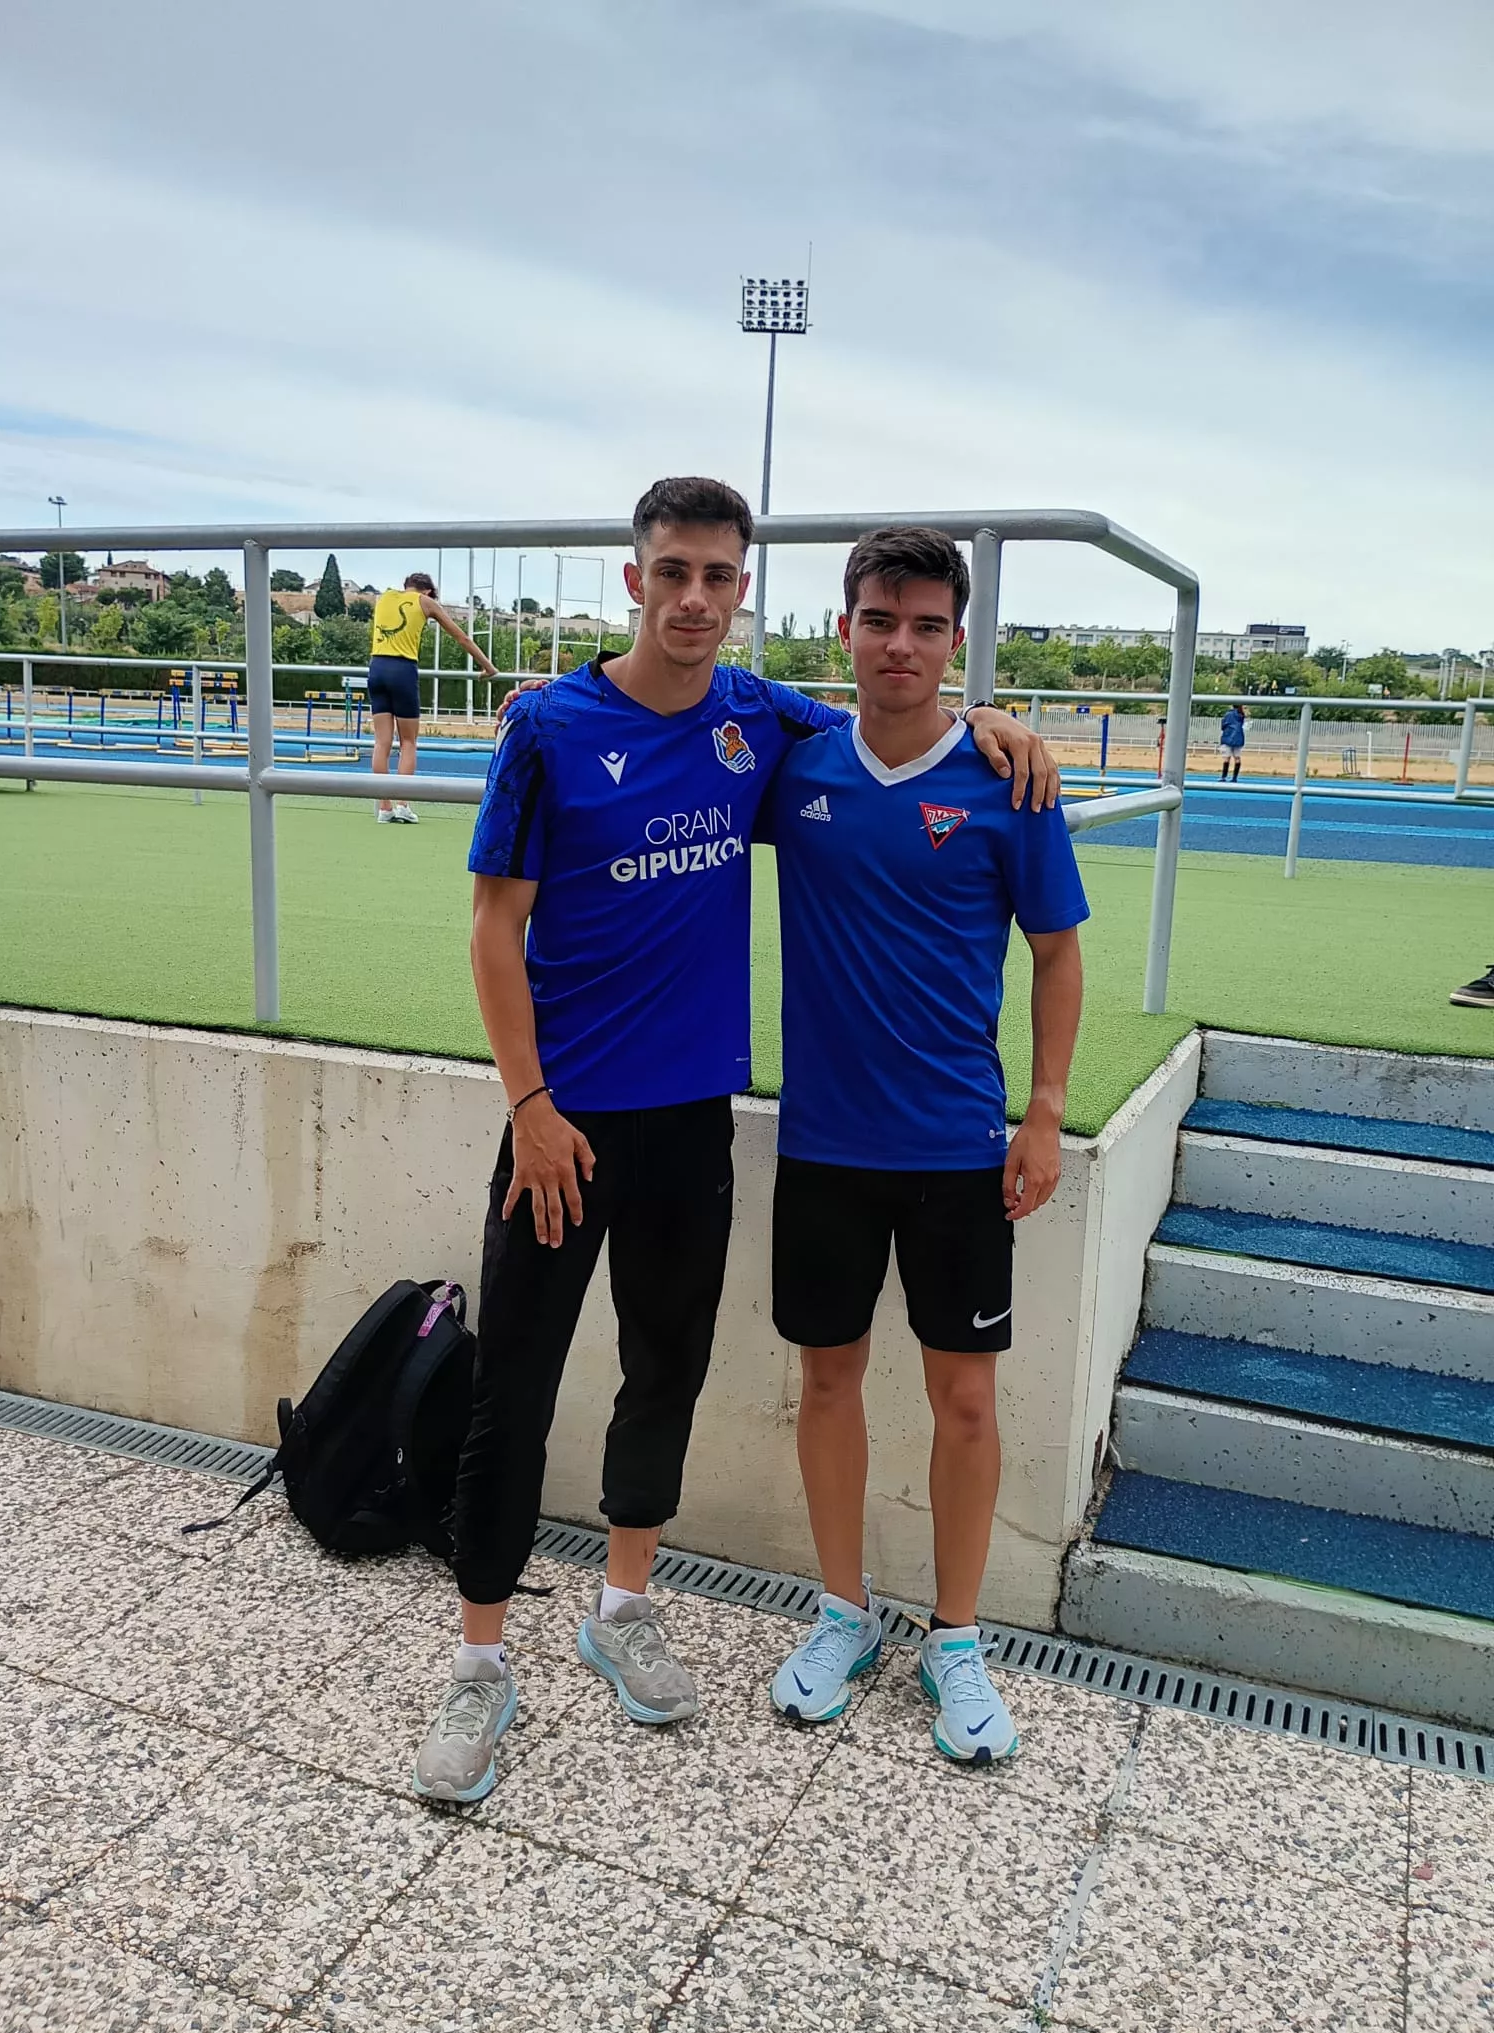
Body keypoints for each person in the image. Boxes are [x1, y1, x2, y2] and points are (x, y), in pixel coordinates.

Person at [410, 477, 1059, 1804]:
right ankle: (479, 1668)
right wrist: (529, 1107)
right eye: (673, 573)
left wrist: (991, 718)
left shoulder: (758, 717)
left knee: (665, 1375)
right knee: (513, 1393)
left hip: (694, 1121)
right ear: (633, 579)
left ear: (746, 590)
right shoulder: (547, 728)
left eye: (719, 576)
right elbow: (493, 929)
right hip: (562, 1130)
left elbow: (896, 721)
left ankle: (624, 1608)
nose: (695, 599)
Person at [762, 526, 1087, 1766]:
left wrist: (1045, 1111)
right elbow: (683, 715)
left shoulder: (1012, 782)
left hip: (958, 1145)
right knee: (829, 1380)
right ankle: (843, 1612)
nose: (901, 644)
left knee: (964, 1399)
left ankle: (957, 1638)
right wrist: (552, 698)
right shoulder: (793, 769)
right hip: (825, 1147)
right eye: (879, 619)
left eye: (927, 625)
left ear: (957, 637)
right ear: (844, 625)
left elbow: (1058, 958)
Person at [367, 572, 497, 823]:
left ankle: (384, 808)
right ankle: (403, 804)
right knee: (408, 742)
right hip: (402, 670)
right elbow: (461, 636)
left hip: (377, 667)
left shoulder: (384, 597)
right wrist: (488, 666)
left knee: (381, 742)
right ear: (427, 591)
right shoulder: (425, 602)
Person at [1218, 701, 1246, 781]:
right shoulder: (1241, 715)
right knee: (1237, 758)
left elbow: (1223, 725)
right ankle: (1235, 777)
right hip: (1238, 738)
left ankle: (1224, 776)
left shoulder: (1228, 714)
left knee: (1226, 758)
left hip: (1228, 737)